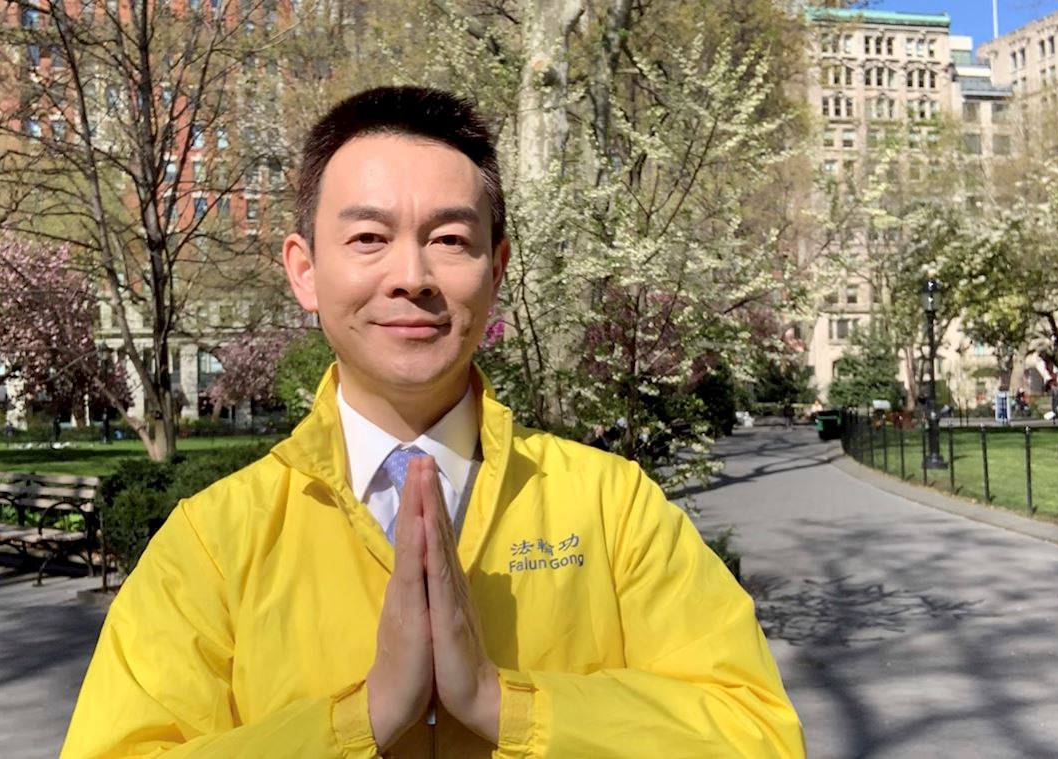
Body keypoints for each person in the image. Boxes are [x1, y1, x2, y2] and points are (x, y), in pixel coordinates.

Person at [62, 87, 803, 758]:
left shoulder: (611, 509)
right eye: (368, 238)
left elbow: (757, 735)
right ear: (304, 270)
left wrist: (505, 705)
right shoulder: (212, 544)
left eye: (450, 239)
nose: (412, 276)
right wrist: (360, 721)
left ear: (496, 268)